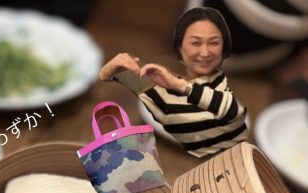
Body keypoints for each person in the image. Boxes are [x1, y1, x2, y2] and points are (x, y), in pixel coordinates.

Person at [99, 7, 248, 158]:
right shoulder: (156, 85)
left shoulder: (223, 96)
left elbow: (232, 112)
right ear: (180, 48)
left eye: (214, 43)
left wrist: (178, 85)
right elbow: (111, 73)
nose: (205, 52)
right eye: (195, 43)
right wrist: (110, 68)